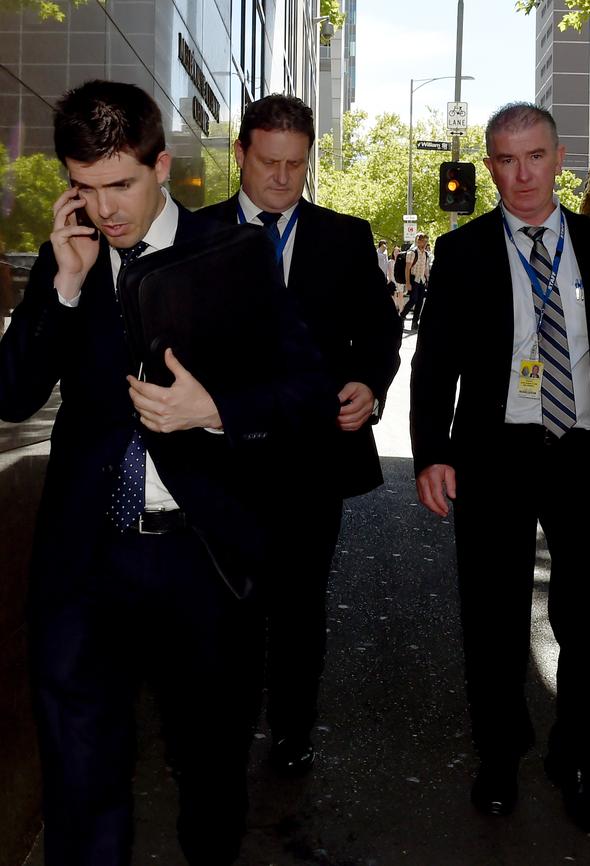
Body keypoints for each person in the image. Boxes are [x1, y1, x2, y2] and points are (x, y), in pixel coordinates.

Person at [0, 79, 339, 866]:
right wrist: (64, 283)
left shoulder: (236, 257)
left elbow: (308, 394)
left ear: (162, 164)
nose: (105, 207)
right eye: (83, 188)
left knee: (211, 779)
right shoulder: (72, 256)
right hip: (84, 564)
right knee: (80, 782)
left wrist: (213, 409)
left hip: (201, 563)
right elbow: (13, 393)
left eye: (120, 184)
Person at [411, 102, 590, 834]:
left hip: (581, 453)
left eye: (535, 157)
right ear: (488, 167)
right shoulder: (464, 252)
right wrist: (430, 453)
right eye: (506, 161)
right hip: (494, 456)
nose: (522, 175)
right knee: (493, 619)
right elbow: (434, 363)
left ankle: (573, 758)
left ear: (559, 157)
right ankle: (500, 754)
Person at [203, 93, 401, 776]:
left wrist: (370, 384)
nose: (282, 178)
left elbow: (379, 331)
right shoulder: (193, 234)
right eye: (268, 163)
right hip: (218, 457)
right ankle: (223, 726)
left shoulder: (344, 236)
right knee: (225, 602)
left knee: (298, 604)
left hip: (312, 457)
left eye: (295, 163)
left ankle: (291, 730)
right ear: (241, 154)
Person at [400, 231, 430, 331]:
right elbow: (407, 269)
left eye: (426, 241)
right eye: (423, 241)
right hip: (413, 279)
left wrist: (427, 280)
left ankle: (415, 322)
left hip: (422, 280)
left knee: (420, 302)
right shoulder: (412, 253)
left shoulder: (426, 254)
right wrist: (408, 283)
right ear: (418, 241)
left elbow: (425, 269)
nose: (425, 243)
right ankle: (402, 316)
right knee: (413, 299)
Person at [387, 244, 405, 311]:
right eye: (395, 252)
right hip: (393, 281)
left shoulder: (402, 261)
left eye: (398, 252)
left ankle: (401, 312)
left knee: (401, 297)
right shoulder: (390, 262)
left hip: (400, 281)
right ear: (393, 253)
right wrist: (389, 281)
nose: (396, 253)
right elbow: (388, 273)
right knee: (394, 297)